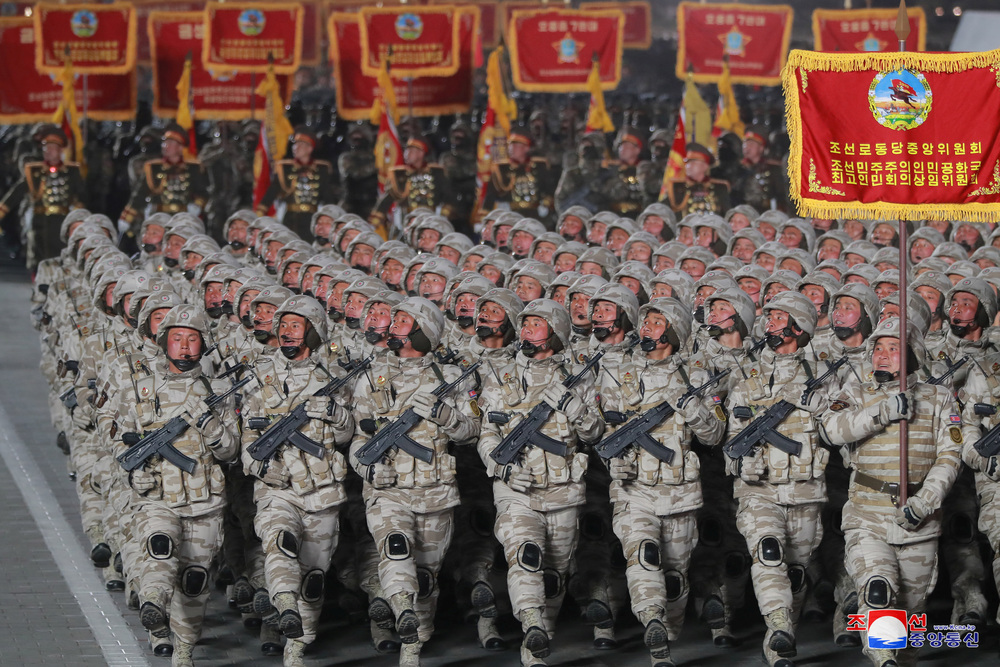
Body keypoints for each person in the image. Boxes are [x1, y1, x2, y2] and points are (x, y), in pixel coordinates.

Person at [820, 318, 962, 667]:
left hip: (919, 519)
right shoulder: (857, 392)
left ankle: (900, 657)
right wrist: (882, 412)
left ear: (912, 354)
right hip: (868, 514)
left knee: (911, 612)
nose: (882, 356)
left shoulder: (939, 398)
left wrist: (925, 501)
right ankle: (884, 659)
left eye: (893, 348)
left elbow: (950, 455)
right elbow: (831, 429)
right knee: (878, 590)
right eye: (878, 348)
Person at [350, 297, 479, 667]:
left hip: (435, 490)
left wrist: (445, 415)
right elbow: (359, 440)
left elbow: (472, 432)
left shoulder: (450, 378)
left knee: (426, 574)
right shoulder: (371, 376)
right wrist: (368, 470)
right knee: (395, 548)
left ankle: (415, 638)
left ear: (424, 330)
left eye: (404, 320)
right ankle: (401, 607)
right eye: (395, 318)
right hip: (387, 490)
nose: (393, 325)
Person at [477, 299, 604, 667]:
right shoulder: (502, 376)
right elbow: (487, 435)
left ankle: (539, 640)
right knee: (524, 554)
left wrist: (574, 407)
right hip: (516, 490)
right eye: (526, 323)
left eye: (536, 324)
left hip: (564, 490)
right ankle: (530, 622)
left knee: (554, 573)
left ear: (555, 333)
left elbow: (594, 433)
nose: (527, 329)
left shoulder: (577, 377)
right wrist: (501, 469)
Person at [599, 297, 726, 666]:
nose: (646, 329)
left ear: (672, 330)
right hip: (633, 489)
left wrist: (692, 408)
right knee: (643, 555)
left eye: (656, 323)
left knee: (674, 575)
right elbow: (608, 432)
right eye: (645, 322)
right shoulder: (617, 371)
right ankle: (651, 619)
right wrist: (615, 465)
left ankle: (666, 637)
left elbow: (713, 435)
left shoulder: (695, 375)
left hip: (679, 490)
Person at [114, 305, 239, 666]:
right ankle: (153, 602)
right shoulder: (141, 388)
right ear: (163, 343)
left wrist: (207, 421)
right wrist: (134, 473)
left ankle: (183, 649)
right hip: (159, 497)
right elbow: (123, 441)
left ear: (203, 345)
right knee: (159, 546)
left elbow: (230, 450)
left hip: (205, 501)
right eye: (177, 339)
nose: (184, 347)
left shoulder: (217, 391)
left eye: (192, 340)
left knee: (195, 580)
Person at [240, 295, 355, 667]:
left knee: (314, 575)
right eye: (283, 325)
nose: (288, 333)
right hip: (277, 489)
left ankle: (297, 646)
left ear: (312, 330)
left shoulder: (332, 378)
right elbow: (246, 440)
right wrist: (258, 469)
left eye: (296, 326)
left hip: (322, 492)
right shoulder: (259, 376)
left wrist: (336, 413)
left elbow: (347, 435)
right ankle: (283, 604)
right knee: (279, 543)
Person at [724, 291, 833, 667]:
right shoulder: (747, 377)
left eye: (777, 318)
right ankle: (780, 624)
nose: (768, 324)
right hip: (759, 492)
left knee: (798, 571)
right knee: (768, 552)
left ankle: (782, 637)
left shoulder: (823, 374)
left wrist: (820, 404)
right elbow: (730, 446)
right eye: (767, 317)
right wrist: (741, 467)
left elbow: (841, 431)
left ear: (798, 327)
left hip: (805, 490)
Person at [0, 126, 86, 271]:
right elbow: (15, 195)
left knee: (62, 261)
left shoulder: (72, 172)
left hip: (62, 223)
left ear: (60, 151)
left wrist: (79, 217)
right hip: (40, 223)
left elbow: (83, 196)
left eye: (52, 148)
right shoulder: (34, 171)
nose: (48, 151)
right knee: (38, 261)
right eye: (46, 148)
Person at [120, 124, 209, 239]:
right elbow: (140, 194)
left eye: (170, 143)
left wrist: (197, 205)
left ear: (180, 147)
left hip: (184, 216)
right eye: (164, 143)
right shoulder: (153, 168)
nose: (165, 146)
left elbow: (203, 192)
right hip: (158, 216)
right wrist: (126, 217)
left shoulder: (193, 168)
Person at [256, 128, 338, 239]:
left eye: (300, 145)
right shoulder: (285, 168)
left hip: (312, 218)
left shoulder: (321, 169)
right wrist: (261, 211)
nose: (295, 148)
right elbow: (272, 191)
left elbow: (327, 196)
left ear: (309, 149)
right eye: (295, 145)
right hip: (290, 218)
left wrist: (332, 215)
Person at [370, 137, 455, 234]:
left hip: (432, 221)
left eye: (411, 151)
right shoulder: (398, 174)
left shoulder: (437, 173)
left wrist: (443, 216)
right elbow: (386, 200)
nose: (406, 154)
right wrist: (374, 221)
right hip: (405, 223)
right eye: (406, 150)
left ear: (421, 153)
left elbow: (448, 197)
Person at [481, 132, 556, 226]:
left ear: (526, 148)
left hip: (536, 213)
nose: (511, 148)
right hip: (510, 214)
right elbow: (490, 195)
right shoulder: (501, 169)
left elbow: (550, 189)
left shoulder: (539, 166)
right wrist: (485, 218)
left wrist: (545, 204)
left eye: (516, 145)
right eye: (510, 145)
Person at [731, 127, 789, 213]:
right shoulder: (738, 169)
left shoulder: (772, 169)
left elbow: (781, 196)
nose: (747, 147)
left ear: (761, 148)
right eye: (745, 143)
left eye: (751, 144)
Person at [664, 143, 730, 216]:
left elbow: (726, 213)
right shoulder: (676, 186)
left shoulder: (720, 187)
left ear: (705, 166)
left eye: (693, 162)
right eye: (687, 162)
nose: (688, 166)